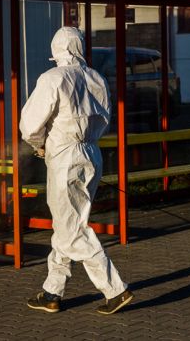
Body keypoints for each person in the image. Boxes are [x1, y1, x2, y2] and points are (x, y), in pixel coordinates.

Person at [20, 26, 133, 315]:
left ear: (56, 49)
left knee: (71, 228)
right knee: (67, 222)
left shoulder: (52, 78)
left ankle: (114, 289)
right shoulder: (96, 77)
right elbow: (105, 118)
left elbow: (30, 125)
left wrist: (40, 144)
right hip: (92, 153)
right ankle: (52, 292)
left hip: (64, 156)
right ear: (80, 47)